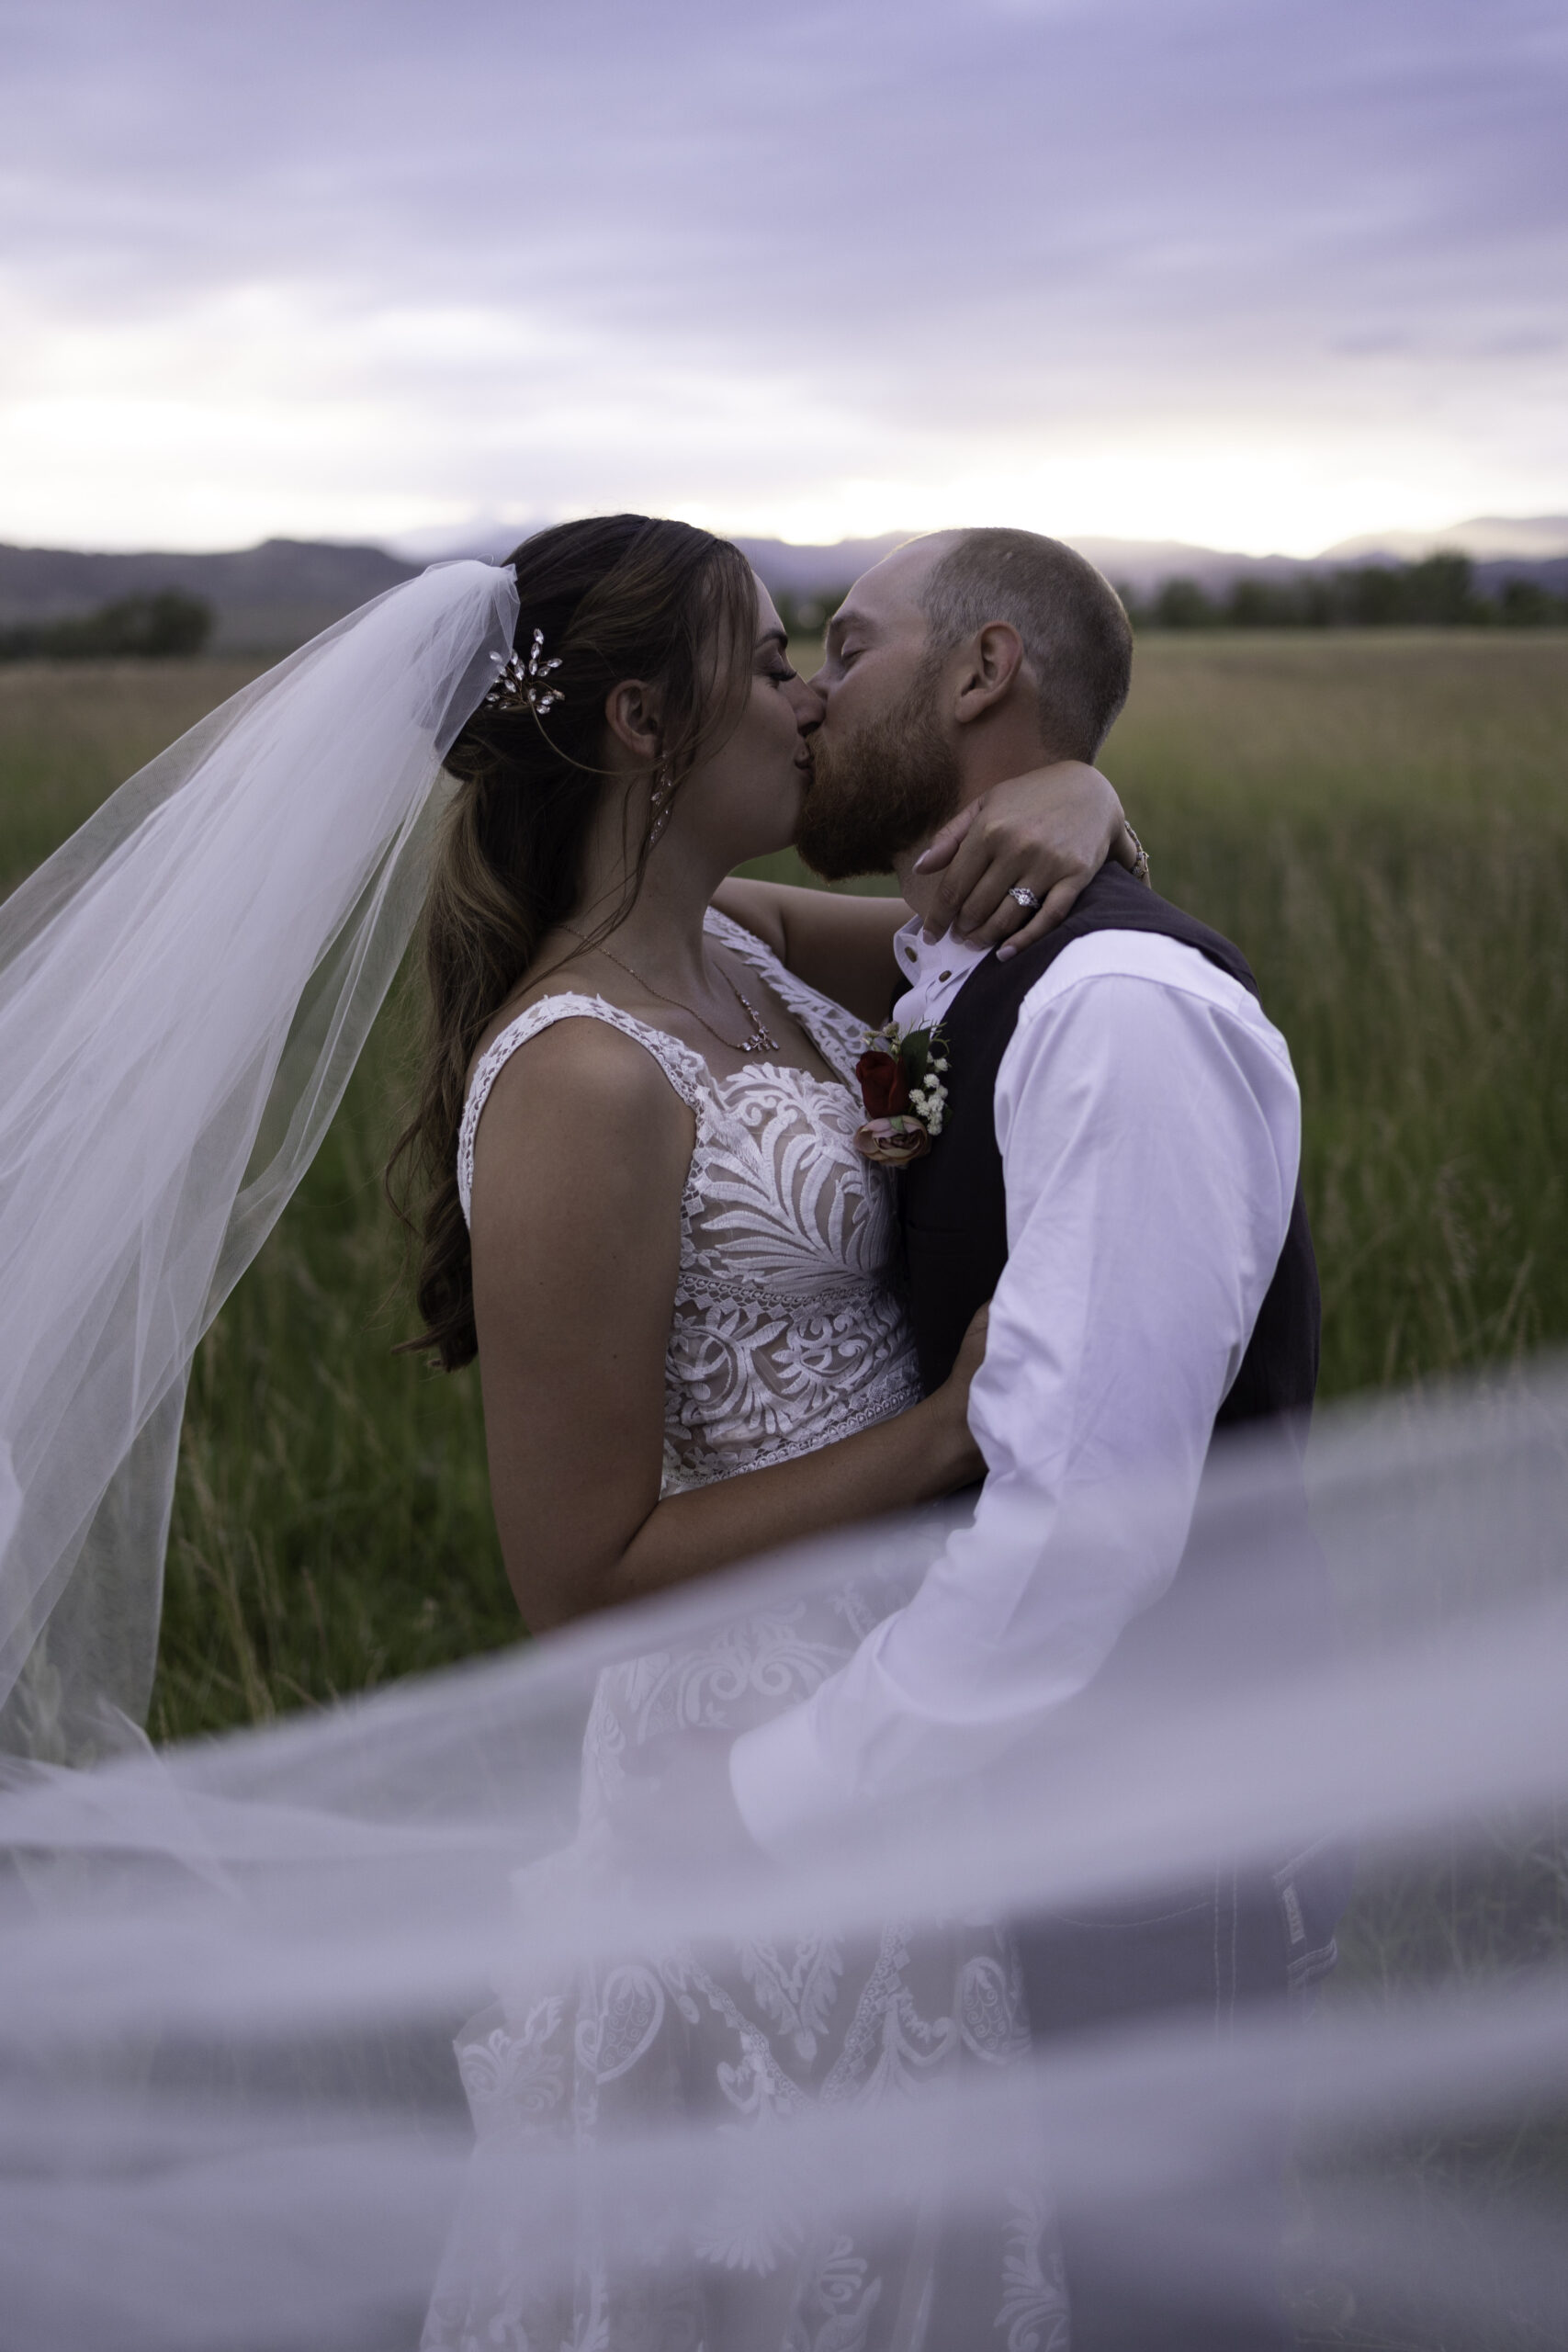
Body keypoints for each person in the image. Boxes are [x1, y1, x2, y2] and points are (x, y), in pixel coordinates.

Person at [396, 513, 1137, 2348]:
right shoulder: (578, 1070)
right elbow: (577, 1577)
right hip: (726, 1780)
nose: (807, 695)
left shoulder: (734, 944)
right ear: (644, 722)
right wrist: (945, 1432)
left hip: (884, 1732)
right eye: (768, 659)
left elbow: (1010, 944)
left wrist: (1075, 803)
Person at [724, 527, 1348, 2349]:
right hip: (1020, 1813)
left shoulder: (1119, 1013)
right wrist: (1077, 796)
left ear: (982, 671)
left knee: (1157, 2304)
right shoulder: (971, 968)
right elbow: (727, 924)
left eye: (847, 643)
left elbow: (1078, 1529)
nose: (814, 693)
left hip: (1165, 1837)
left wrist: (767, 1800)